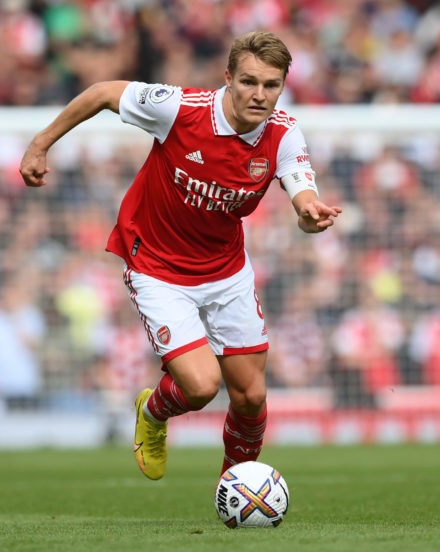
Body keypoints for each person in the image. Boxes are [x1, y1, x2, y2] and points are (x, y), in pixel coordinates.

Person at [20, 31, 342, 480]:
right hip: (157, 266)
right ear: (227, 77)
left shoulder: (283, 134)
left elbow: (303, 191)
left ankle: (237, 485)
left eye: (271, 85)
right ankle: (152, 414)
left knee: (250, 396)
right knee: (201, 386)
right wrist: (40, 143)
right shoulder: (179, 109)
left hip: (226, 271)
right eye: (249, 81)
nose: (259, 94)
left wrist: (308, 213)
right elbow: (101, 94)